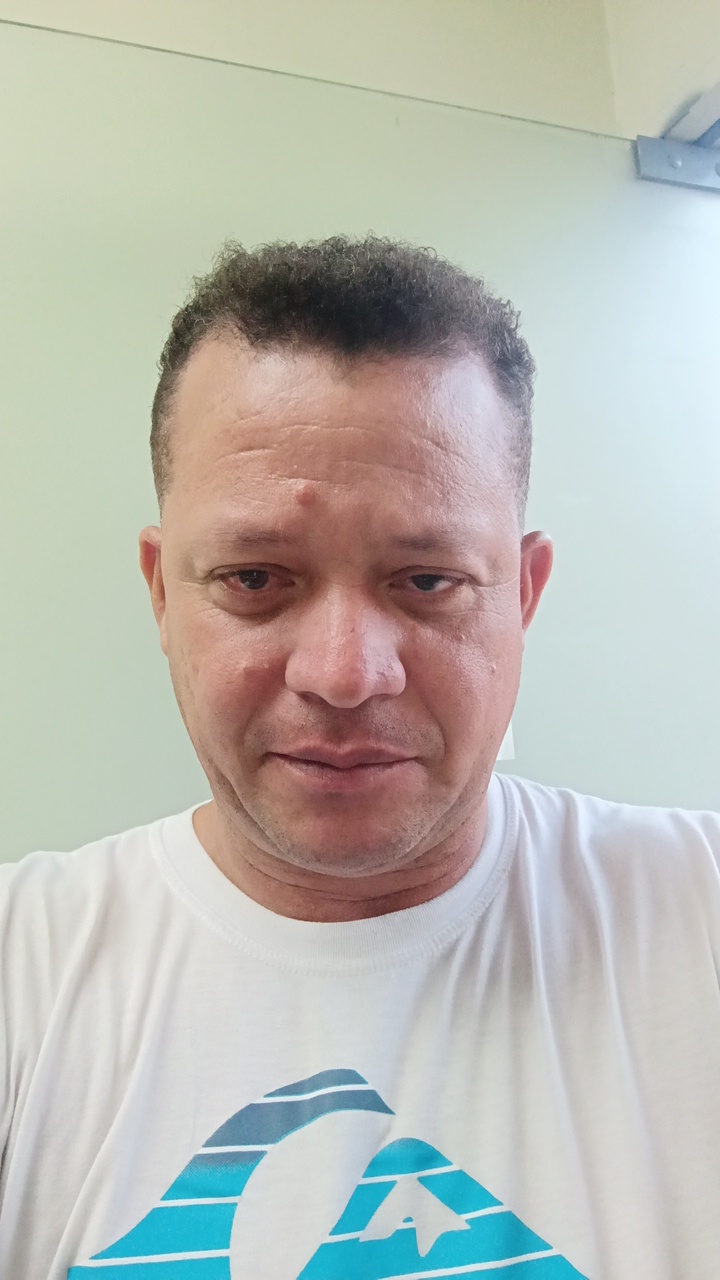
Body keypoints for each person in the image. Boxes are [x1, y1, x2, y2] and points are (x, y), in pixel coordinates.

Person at [1, 236, 719, 1280]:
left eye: (427, 582)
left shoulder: (699, 914)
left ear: (523, 596)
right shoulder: (22, 971)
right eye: (256, 578)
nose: (344, 673)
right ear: (162, 592)